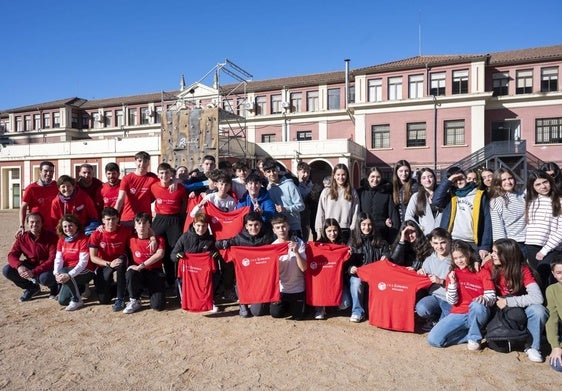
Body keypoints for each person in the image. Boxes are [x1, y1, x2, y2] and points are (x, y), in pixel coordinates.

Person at [485, 238, 548, 363]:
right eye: (492, 251)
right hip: (497, 306)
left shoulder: (523, 270)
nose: (492, 255)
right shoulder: (489, 265)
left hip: (518, 306)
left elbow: (537, 297)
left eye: (496, 252)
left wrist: (509, 302)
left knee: (539, 311)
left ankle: (532, 346)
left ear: (507, 255)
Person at [427, 240, 496, 350]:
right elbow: (452, 301)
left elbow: (491, 297)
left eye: (461, 257)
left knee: (476, 305)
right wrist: (453, 284)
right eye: (456, 258)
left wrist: (484, 299)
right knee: (433, 340)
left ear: (468, 254)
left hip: (478, 312)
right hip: (458, 313)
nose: (459, 261)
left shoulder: (482, 271)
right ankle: (471, 334)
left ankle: (474, 339)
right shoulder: (452, 274)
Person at [216, 211, 274, 317]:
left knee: (257, 312)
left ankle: (262, 301)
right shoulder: (240, 238)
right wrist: (223, 243)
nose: (253, 228)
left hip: (262, 279)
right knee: (239, 281)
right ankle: (243, 302)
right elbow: (219, 244)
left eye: (256, 224)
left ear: (261, 224)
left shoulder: (268, 237)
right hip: (245, 279)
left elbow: (280, 242)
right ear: (246, 226)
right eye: (250, 225)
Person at [433, 166, 492, 261]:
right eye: (455, 181)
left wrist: (485, 246)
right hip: (452, 240)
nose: (459, 182)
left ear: (465, 177)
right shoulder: (451, 196)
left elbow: (487, 221)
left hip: (472, 242)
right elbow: (436, 201)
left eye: (460, 179)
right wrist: (449, 180)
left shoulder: (480, 195)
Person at [172, 212, 221, 312]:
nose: (201, 229)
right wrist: (179, 255)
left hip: (203, 273)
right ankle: (186, 299)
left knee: (215, 275)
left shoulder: (210, 240)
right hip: (189, 272)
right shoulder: (185, 237)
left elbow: (217, 254)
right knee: (181, 279)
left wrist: (215, 255)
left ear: (207, 226)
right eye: (198, 225)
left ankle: (210, 300)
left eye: (204, 226)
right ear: (194, 224)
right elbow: (173, 255)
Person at [3, 212, 58, 301]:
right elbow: (12, 255)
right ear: (27, 223)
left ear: (42, 223)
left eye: (38, 222)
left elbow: (52, 259)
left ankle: (54, 286)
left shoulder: (51, 237)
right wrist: (19, 266)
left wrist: (34, 272)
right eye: (32, 222)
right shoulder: (22, 238)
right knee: (7, 270)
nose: (35, 224)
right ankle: (31, 287)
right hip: (31, 264)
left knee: (44, 278)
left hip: (47, 267)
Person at [151, 162, 187, 289]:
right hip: (160, 219)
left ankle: (173, 280)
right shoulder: (153, 186)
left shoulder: (180, 188)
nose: (164, 175)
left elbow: (184, 204)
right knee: (155, 247)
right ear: (158, 175)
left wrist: (176, 181)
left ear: (171, 174)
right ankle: (157, 277)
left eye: (167, 173)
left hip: (174, 220)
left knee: (173, 251)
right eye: (161, 173)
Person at [347, 212, 389, 322]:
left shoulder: (381, 242)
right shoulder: (352, 242)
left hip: (376, 276)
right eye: (363, 224)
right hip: (359, 275)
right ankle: (357, 312)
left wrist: (386, 258)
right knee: (356, 282)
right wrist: (350, 268)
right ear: (359, 225)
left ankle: (378, 312)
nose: (367, 227)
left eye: (369, 224)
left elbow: (387, 254)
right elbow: (346, 262)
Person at [525, 170, 562, 290]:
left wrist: (545, 250)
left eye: (545, 182)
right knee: (538, 280)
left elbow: (560, 230)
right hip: (531, 245)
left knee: (547, 275)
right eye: (538, 184)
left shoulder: (559, 201)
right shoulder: (530, 201)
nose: (543, 186)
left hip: (551, 247)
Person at [88, 207, 131, 311]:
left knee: (120, 263)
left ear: (118, 219)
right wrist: (108, 263)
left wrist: (152, 237)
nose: (111, 222)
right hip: (104, 263)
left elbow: (143, 229)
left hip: (119, 258)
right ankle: (121, 288)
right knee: (104, 299)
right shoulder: (96, 234)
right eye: (108, 219)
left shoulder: (125, 230)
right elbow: (93, 257)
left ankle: (120, 298)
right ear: (102, 220)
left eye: (113, 219)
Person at [124, 212, 166, 314]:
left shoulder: (159, 239)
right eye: (138, 223)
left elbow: (159, 254)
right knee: (130, 272)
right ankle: (135, 300)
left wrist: (142, 265)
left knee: (157, 306)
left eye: (144, 223)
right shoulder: (131, 239)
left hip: (154, 271)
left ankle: (149, 292)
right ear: (134, 225)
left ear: (149, 225)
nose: (141, 226)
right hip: (139, 272)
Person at [53, 214, 95, 311]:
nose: (68, 228)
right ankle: (82, 288)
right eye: (65, 226)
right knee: (62, 301)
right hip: (68, 271)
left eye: (71, 225)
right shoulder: (61, 240)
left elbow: (83, 263)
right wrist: (56, 273)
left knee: (65, 272)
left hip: (86, 270)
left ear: (76, 225)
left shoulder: (83, 239)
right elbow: (58, 259)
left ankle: (77, 300)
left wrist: (68, 275)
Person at [270, 214, 307, 320]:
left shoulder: (298, 243)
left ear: (288, 227)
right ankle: (286, 305)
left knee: (298, 316)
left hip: (298, 288)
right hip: (282, 290)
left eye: (283, 226)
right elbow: (271, 274)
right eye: (278, 227)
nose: (281, 230)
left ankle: (298, 305)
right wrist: (274, 293)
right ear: (274, 230)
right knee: (275, 313)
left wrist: (296, 252)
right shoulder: (272, 247)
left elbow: (304, 268)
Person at [415, 228, 453, 329]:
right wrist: (421, 273)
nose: (439, 246)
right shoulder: (429, 260)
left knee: (446, 326)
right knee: (421, 308)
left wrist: (441, 281)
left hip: (450, 299)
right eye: (435, 243)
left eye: (442, 243)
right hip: (435, 297)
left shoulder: (455, 258)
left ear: (449, 241)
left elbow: (462, 283)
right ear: (431, 243)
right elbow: (424, 277)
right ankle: (434, 318)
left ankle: (440, 320)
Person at [313, 218, 350, 320]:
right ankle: (320, 308)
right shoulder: (318, 245)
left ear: (338, 230)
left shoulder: (343, 245)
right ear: (324, 231)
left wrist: (348, 256)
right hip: (323, 281)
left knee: (345, 304)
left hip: (338, 281)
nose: (332, 233)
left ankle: (331, 305)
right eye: (329, 231)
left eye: (335, 230)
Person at [315, 163, 358, 244]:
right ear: (334, 176)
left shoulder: (352, 192)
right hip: (329, 231)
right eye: (338, 174)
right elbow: (320, 212)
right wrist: (319, 231)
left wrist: (353, 230)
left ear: (347, 176)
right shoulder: (326, 192)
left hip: (345, 230)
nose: (341, 177)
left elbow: (355, 212)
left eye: (343, 175)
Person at [263, 159, 304, 238]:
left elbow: (301, 206)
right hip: (279, 230)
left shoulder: (290, 185)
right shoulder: (268, 189)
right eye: (268, 172)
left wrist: (285, 209)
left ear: (277, 170)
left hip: (293, 227)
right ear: (265, 174)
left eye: (273, 170)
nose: (272, 173)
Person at [114, 151, 158, 226]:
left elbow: (166, 182)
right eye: (139, 161)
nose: (142, 164)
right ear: (135, 162)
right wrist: (113, 217)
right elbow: (120, 199)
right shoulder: (127, 178)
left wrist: (175, 181)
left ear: (148, 163)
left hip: (145, 219)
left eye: (145, 161)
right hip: (128, 218)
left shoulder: (153, 178)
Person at [489, 168, 526, 255]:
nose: (508, 182)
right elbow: (498, 228)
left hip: (528, 242)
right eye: (503, 180)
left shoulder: (523, 196)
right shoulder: (497, 201)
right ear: (498, 183)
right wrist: (503, 248)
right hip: (511, 245)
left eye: (510, 178)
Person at [358, 167, 400, 243]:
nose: (375, 179)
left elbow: (393, 215)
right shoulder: (360, 193)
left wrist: (393, 236)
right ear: (367, 178)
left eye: (378, 177)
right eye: (372, 177)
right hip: (364, 232)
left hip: (381, 232)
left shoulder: (386, 194)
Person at [17, 161, 58, 236]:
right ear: (40, 172)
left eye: (51, 171)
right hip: (37, 227)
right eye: (46, 171)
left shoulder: (57, 186)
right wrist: (21, 226)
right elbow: (23, 207)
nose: (49, 174)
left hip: (54, 227)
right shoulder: (31, 188)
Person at [404, 167, 442, 235]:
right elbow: (408, 216)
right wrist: (419, 228)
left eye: (430, 177)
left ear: (434, 178)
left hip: (442, 236)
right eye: (424, 178)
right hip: (425, 236)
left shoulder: (442, 195)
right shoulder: (416, 196)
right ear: (420, 181)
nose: (427, 180)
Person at [545, 256, 562, 372]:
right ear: (554, 274)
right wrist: (556, 346)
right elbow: (552, 318)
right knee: (558, 364)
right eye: (559, 272)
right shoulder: (552, 290)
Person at [392, 160, 418, 224]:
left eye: (406, 171)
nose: (404, 173)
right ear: (396, 172)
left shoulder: (414, 186)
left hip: (411, 222)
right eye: (401, 171)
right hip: (397, 223)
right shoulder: (392, 186)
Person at [296, 162, 314, 241]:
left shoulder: (312, 185)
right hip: (297, 214)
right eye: (303, 172)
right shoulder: (295, 185)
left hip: (308, 213)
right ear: (298, 172)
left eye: (308, 172)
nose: (306, 175)